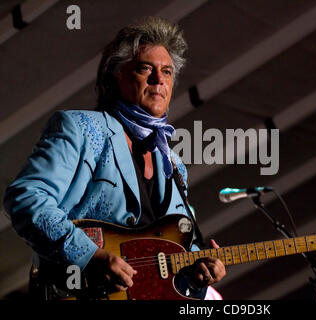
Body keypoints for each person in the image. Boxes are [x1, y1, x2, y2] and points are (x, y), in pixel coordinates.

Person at [3, 16, 225, 300]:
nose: (159, 80)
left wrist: (199, 268)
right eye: (146, 69)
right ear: (114, 76)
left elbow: (175, 245)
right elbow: (26, 198)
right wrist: (89, 256)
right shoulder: (81, 127)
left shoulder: (173, 164)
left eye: (167, 72)